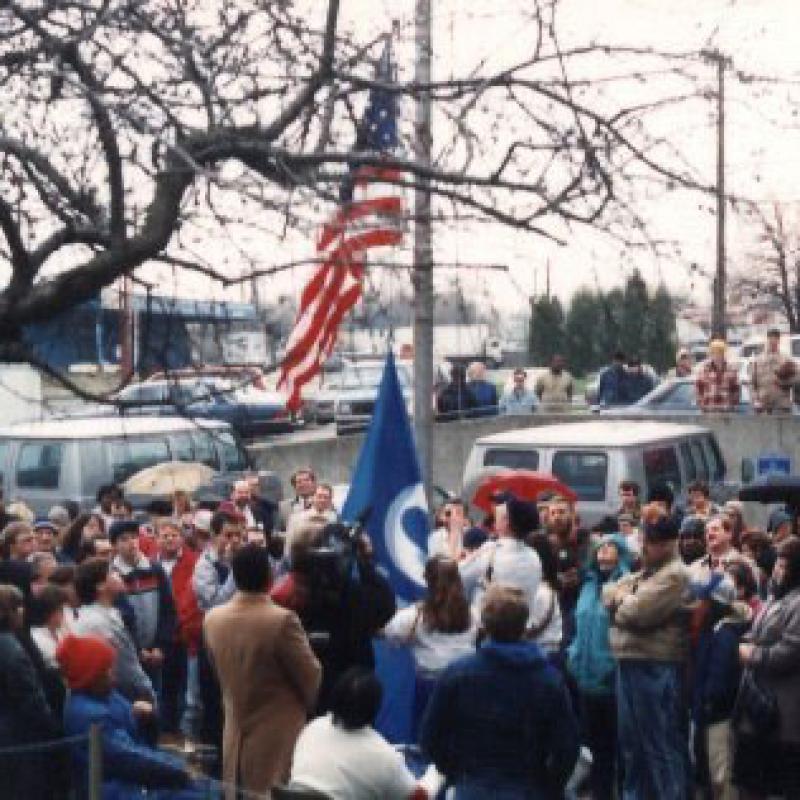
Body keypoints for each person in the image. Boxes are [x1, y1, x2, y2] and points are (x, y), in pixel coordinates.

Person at [421, 584, 579, 798]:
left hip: (473, 786)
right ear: (524, 625)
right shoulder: (549, 681)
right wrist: (549, 787)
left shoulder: (457, 675)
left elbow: (430, 738)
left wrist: (457, 773)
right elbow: (567, 747)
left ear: (484, 626)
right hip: (529, 788)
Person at [203, 544, 321, 799]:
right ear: (269, 575)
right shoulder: (281, 620)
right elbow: (311, 676)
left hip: (234, 730)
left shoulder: (213, 619)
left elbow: (215, 669)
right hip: (278, 733)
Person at [57, 634, 210, 799]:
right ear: (91, 677)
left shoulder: (107, 695)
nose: (113, 676)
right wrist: (180, 770)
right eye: (106, 671)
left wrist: (148, 720)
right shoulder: (89, 715)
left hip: (135, 781)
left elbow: (141, 743)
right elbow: (129, 759)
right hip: (119, 791)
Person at [603, 513, 690, 799]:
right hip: (629, 662)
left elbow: (638, 613)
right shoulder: (647, 573)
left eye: (651, 543)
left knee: (659, 746)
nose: (644, 548)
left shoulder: (675, 574)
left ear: (668, 544)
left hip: (655, 666)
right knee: (633, 747)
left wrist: (622, 600)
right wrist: (622, 598)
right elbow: (608, 591)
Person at [271, 523, 396, 713]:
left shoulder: (295, 589)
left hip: (325, 685)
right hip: (333, 683)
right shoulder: (294, 593)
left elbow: (384, 610)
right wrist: (366, 561)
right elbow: (385, 607)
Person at [289, 667, 430, 800]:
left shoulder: (311, 729)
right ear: (376, 708)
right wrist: (434, 778)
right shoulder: (382, 756)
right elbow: (419, 798)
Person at [568, 534, 633, 800]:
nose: (604, 551)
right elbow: (577, 624)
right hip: (584, 679)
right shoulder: (587, 585)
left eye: (611, 547)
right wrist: (572, 655)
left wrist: (611, 661)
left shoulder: (628, 584)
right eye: (600, 547)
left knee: (616, 749)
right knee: (593, 749)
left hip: (612, 680)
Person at [734, 537, 800, 799]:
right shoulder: (775, 597)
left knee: (777, 787)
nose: (777, 571)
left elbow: (791, 651)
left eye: (785, 566)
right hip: (757, 707)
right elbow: (760, 630)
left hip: (782, 714)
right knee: (750, 786)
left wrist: (754, 655)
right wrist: (748, 640)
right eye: (778, 565)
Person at [383, 556, 478, 734]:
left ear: (427, 581)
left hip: (430, 686)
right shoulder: (474, 614)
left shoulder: (414, 615)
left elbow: (391, 632)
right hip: (466, 685)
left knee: (427, 738)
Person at [690, 574, 751, 800]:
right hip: (705, 713)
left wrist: (708, 702)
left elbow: (719, 678)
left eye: (703, 600)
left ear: (715, 603)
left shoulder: (724, 634)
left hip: (719, 716)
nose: (698, 604)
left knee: (720, 775)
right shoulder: (709, 630)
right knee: (707, 772)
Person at [0, 583, 61, 800]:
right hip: (17, 739)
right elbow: (31, 700)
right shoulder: (12, 650)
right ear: (12, 612)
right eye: (20, 607)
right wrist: (52, 727)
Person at [71, 557, 155, 703]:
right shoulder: (97, 623)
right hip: (122, 701)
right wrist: (147, 692)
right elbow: (126, 669)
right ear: (100, 586)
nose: (118, 575)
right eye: (112, 572)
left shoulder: (110, 613)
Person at [110, 520, 176, 706]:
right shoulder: (113, 575)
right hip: (130, 654)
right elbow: (118, 620)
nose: (131, 542)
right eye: (124, 539)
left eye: (134, 537)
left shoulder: (154, 569)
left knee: (155, 698)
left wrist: (160, 645)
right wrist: (137, 650)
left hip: (155, 651)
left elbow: (168, 609)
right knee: (134, 701)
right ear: (114, 545)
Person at [459, 494, 542, 628]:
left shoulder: (491, 551)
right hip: (521, 629)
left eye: (503, 512)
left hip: (488, 628)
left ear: (507, 522)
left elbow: (460, 576)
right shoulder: (534, 556)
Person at [155, 517, 202, 737]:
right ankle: (165, 729)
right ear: (157, 540)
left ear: (182, 539)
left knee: (187, 687)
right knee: (165, 686)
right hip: (161, 636)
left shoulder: (194, 562)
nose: (170, 540)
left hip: (186, 634)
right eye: (165, 536)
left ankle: (184, 731)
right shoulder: (150, 565)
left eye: (174, 536)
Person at [526, 534, 564, 660]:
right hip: (546, 651)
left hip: (543, 652)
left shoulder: (541, 591)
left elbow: (531, 628)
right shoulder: (543, 587)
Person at [689, 515, 753, 584]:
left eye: (715, 529)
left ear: (729, 534)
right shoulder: (694, 567)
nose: (710, 534)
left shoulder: (746, 564)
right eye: (707, 531)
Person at [750, 327, 797, 413]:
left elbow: (795, 380)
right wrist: (755, 400)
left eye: (775, 338)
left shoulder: (786, 359)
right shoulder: (758, 359)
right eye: (770, 338)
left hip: (781, 404)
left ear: (779, 340)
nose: (773, 341)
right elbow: (752, 383)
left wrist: (782, 382)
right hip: (763, 404)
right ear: (767, 339)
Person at [29, 583, 69, 668]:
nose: (64, 614)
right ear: (50, 611)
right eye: (61, 609)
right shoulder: (37, 638)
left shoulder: (61, 631)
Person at [696, 339, 740, 412]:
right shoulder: (704, 369)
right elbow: (698, 388)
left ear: (723, 353)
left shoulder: (731, 369)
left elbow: (736, 389)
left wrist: (732, 404)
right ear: (710, 354)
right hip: (709, 411)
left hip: (727, 412)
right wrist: (702, 404)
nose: (717, 355)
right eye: (714, 352)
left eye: (720, 352)